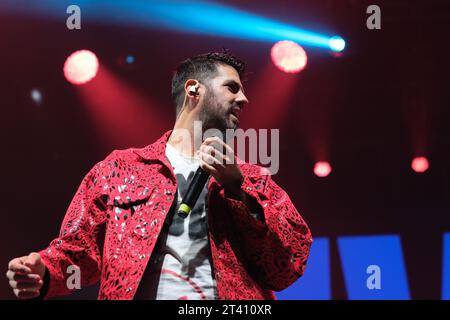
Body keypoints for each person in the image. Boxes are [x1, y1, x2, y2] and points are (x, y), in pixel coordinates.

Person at [6, 51, 312, 300]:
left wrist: (239, 192)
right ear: (194, 88)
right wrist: (42, 270)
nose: (244, 99)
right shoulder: (120, 168)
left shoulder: (252, 178)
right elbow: (78, 249)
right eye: (232, 87)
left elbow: (287, 266)